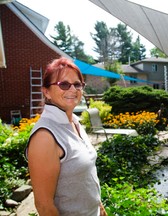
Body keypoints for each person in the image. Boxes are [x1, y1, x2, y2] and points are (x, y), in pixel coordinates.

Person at [25, 57, 107, 216]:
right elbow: (44, 206)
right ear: (46, 92)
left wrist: (100, 209)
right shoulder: (45, 136)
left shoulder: (75, 122)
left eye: (77, 84)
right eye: (63, 84)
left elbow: (87, 179)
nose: (73, 89)